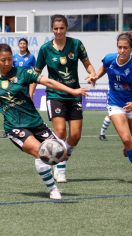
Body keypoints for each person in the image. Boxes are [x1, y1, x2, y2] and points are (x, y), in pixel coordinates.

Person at [0, 43, 89, 199]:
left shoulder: (23, 73)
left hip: (36, 123)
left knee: (61, 154)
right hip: (15, 127)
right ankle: (53, 189)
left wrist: (72, 90)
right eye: (3, 60)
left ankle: (54, 172)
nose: (7, 63)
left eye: (10, 59)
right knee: (40, 152)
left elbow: (48, 82)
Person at [30, 14, 96, 183]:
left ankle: (59, 159)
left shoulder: (76, 44)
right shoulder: (45, 49)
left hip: (75, 94)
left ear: (67, 28)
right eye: (55, 28)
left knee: (75, 135)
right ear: (52, 29)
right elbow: (36, 74)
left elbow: (87, 64)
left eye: (61, 28)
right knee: (60, 133)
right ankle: (60, 170)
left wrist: (92, 74)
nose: (58, 31)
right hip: (55, 95)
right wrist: (30, 94)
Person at [89, 32, 132, 185]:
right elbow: (104, 67)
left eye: (125, 48)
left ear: (131, 48)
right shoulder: (110, 58)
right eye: (119, 47)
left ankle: (130, 148)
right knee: (126, 139)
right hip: (115, 103)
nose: (122, 51)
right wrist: (96, 76)